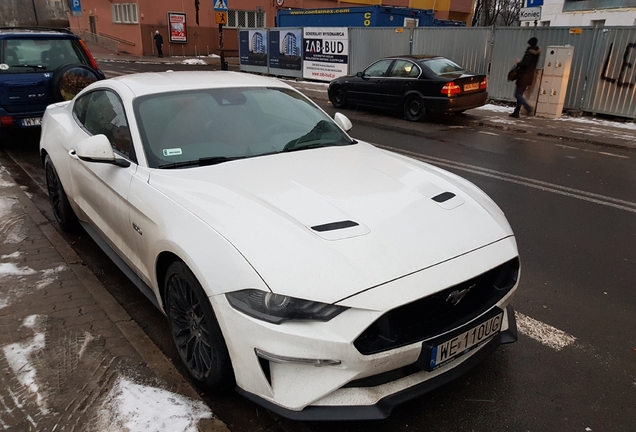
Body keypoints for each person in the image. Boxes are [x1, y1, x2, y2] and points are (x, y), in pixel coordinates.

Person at [510, 37, 541, 118]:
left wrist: (518, 63)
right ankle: (516, 112)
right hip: (529, 76)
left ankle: (527, 107)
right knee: (519, 94)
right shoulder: (536, 53)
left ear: (529, 43)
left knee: (517, 94)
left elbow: (525, 64)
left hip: (524, 76)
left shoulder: (529, 52)